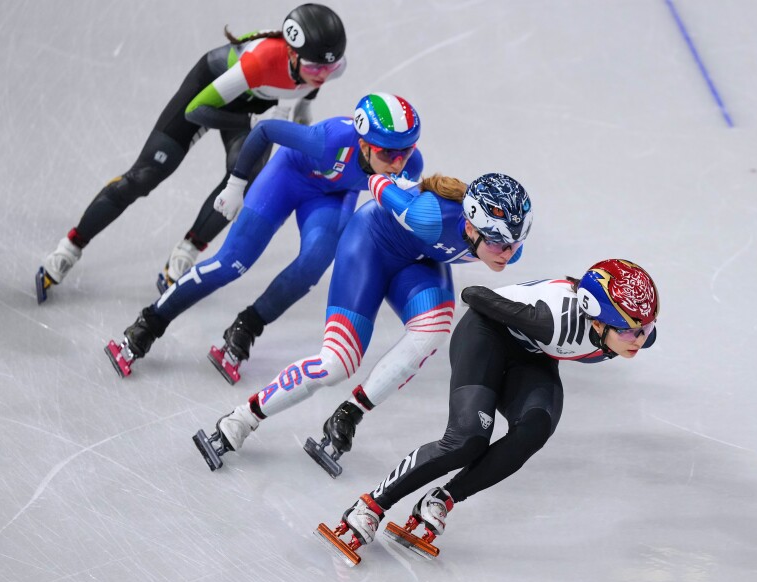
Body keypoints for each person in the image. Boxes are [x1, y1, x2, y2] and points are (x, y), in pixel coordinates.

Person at [314, 259, 660, 566]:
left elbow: (632, 328)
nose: (640, 339)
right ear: (597, 322)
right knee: (468, 440)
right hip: (485, 336)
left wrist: (633, 328)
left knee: (535, 428)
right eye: (630, 330)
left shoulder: (629, 330)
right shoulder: (554, 321)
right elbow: (475, 295)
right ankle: (371, 505)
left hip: (532, 355)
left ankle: (441, 498)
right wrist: (522, 318)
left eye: (645, 328)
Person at [192, 170, 534, 478]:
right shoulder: (428, 217)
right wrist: (401, 181)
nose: (507, 253)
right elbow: (377, 180)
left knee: (434, 327)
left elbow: (499, 243)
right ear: (471, 227)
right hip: (369, 246)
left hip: (415, 261)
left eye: (515, 242)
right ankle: (241, 418)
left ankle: (348, 414)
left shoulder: (502, 241)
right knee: (337, 363)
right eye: (498, 243)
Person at [36, 3, 347, 304]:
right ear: (292, 53)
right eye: (314, 67)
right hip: (207, 94)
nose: (322, 74)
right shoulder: (261, 61)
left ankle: (188, 249)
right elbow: (196, 109)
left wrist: (303, 124)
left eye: (329, 67)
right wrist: (252, 122)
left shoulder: (324, 67)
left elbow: (307, 93)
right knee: (143, 177)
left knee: (247, 176)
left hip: (250, 105)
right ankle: (70, 246)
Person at [104, 93, 425, 380]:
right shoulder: (327, 140)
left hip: (330, 197)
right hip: (287, 178)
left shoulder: (411, 166)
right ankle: (149, 323)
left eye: (406, 152)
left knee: (314, 263)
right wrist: (236, 185)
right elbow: (265, 130)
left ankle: (246, 326)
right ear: (365, 145)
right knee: (232, 263)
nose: (399, 164)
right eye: (389, 155)